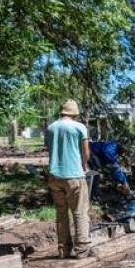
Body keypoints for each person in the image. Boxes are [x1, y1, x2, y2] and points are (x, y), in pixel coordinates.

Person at [45, 100, 91, 259]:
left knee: (61, 213)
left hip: (54, 176)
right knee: (80, 212)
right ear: (75, 114)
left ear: (62, 112)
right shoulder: (79, 127)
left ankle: (64, 249)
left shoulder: (51, 128)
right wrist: (84, 165)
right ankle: (82, 249)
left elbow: (51, 149)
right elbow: (86, 152)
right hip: (74, 175)